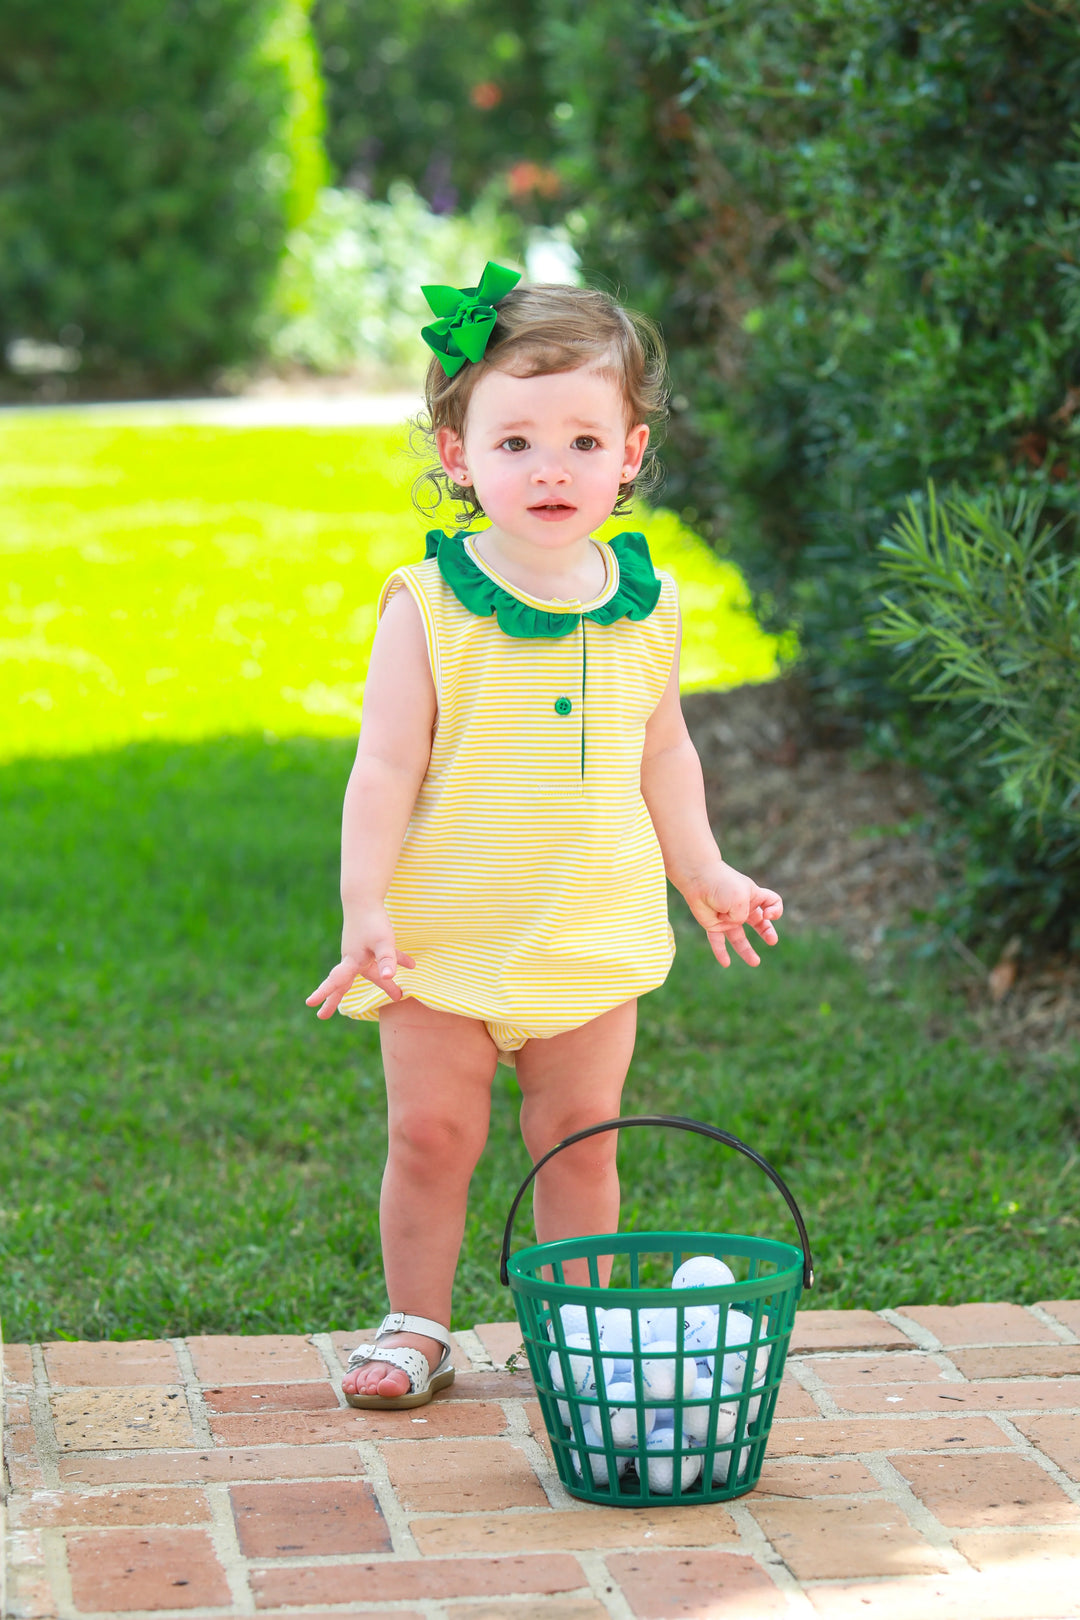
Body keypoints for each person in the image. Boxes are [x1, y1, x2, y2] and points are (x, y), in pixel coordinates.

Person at [307, 263, 783, 1410]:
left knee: (579, 1136)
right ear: (458, 453)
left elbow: (661, 748)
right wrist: (363, 905)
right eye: (515, 442)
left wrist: (702, 867)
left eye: (582, 439)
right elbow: (384, 767)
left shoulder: (646, 602)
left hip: (589, 926)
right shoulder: (430, 606)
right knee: (432, 1132)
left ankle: (582, 1329)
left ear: (629, 453)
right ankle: (418, 1322)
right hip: (444, 937)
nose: (551, 467)